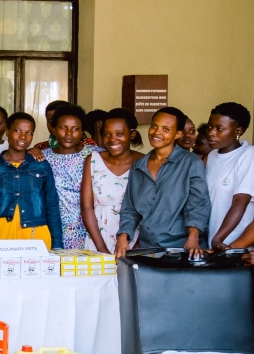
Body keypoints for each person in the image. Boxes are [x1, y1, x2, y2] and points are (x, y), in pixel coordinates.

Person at [116, 107, 210, 259]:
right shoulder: (139, 166)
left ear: (178, 134)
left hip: (182, 248)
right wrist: (123, 236)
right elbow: (130, 208)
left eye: (165, 129)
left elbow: (197, 204)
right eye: (154, 126)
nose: (156, 132)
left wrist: (193, 238)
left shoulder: (190, 163)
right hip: (148, 249)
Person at [0, 112, 63, 249]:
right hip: (1, 232)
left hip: (36, 231)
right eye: (17, 131)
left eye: (29, 132)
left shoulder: (41, 166)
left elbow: (52, 204)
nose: (23, 137)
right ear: (7, 132)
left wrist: (57, 244)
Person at [81, 108, 142, 254]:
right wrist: (102, 249)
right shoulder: (93, 160)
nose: (112, 139)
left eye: (119, 134)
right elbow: (86, 206)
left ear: (132, 134)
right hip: (98, 238)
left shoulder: (144, 162)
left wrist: (138, 245)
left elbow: (151, 208)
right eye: (107, 134)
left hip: (136, 239)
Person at [204, 102, 254, 250]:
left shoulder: (248, 155)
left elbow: (240, 201)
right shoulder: (212, 156)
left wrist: (219, 239)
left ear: (238, 131)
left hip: (234, 245)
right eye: (209, 126)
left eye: (219, 129)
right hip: (213, 243)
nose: (211, 133)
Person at [45, 104, 94, 249]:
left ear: (82, 132)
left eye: (75, 129)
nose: (68, 133)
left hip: (89, 229)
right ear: (53, 129)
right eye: (63, 128)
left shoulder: (95, 155)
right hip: (54, 229)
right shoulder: (42, 157)